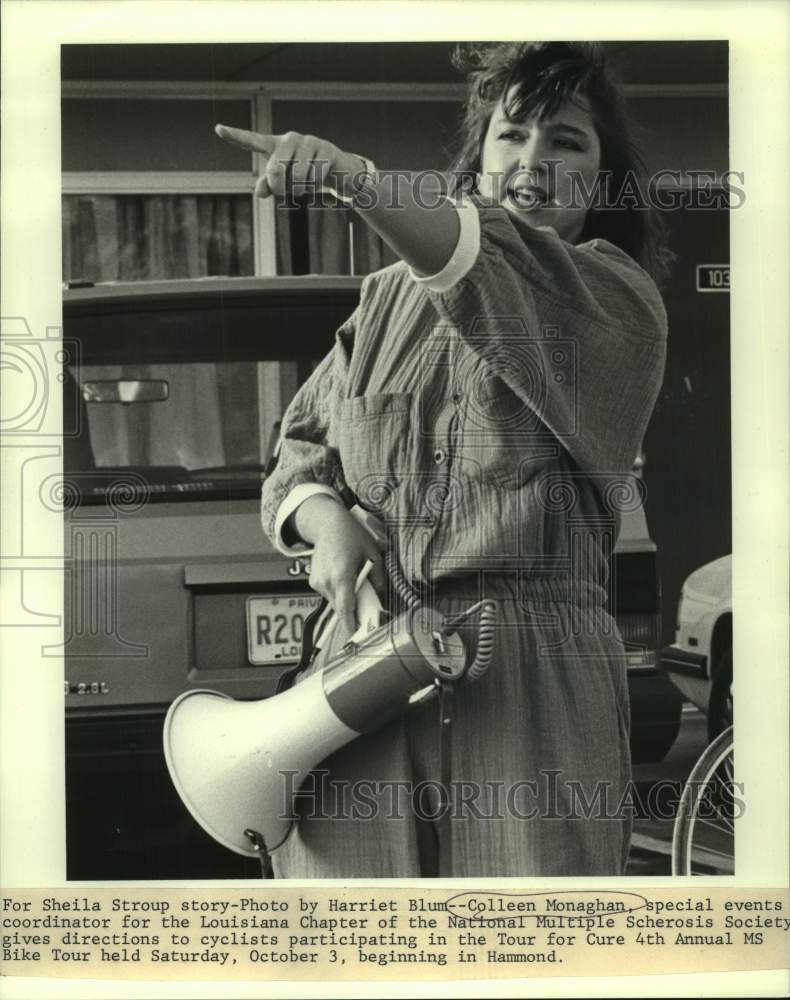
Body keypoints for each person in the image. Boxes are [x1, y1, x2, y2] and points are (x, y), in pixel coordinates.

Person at [216, 41, 669, 877]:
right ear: (478, 155)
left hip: (531, 672)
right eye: (513, 133)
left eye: (566, 141)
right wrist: (328, 529)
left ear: (603, 179)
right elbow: (299, 454)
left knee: (530, 943)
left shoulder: (616, 298)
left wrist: (351, 177)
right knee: (353, 939)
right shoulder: (386, 296)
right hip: (366, 662)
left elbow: (477, 260)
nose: (533, 159)